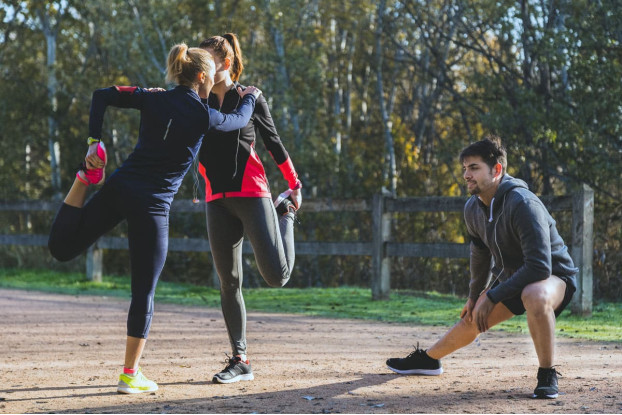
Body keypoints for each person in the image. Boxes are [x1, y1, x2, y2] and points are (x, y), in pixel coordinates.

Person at [48, 43, 262, 394]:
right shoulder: (204, 114)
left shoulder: (153, 97)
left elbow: (102, 95)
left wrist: (93, 142)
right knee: (143, 292)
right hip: (152, 207)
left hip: (120, 188)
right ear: (204, 77)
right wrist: (251, 95)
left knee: (61, 248)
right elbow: (238, 121)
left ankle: (83, 180)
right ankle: (130, 374)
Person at [386, 136, 578, 399]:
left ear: (496, 170)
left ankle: (547, 373)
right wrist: (475, 295)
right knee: (473, 317)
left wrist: (494, 294)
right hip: (514, 277)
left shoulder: (523, 204)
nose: (466, 174)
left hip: (553, 278)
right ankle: (429, 359)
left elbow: (539, 267)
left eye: (474, 168)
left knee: (534, 294)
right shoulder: (472, 208)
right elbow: (479, 254)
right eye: (464, 168)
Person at [196, 33, 302, 384]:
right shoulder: (197, 100)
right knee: (229, 282)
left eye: (208, 61)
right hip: (216, 200)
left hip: (253, 193)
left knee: (277, 276)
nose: (202, 69)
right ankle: (240, 359)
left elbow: (273, 141)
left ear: (225, 64)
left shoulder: (249, 96)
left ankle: (285, 214)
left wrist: (294, 184)